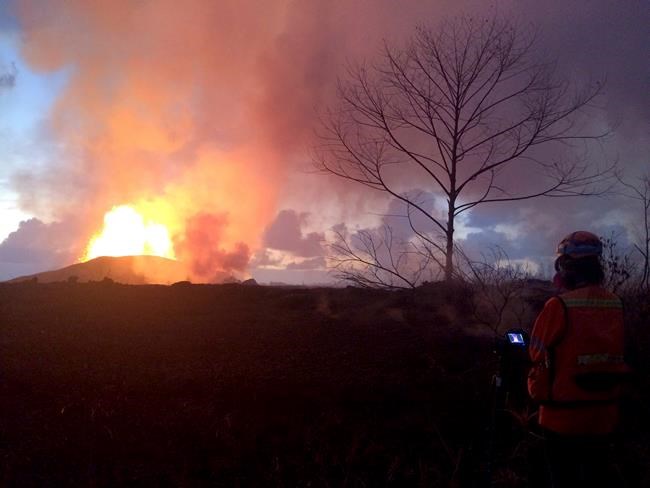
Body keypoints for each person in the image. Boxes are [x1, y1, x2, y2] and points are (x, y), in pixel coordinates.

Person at [527, 231, 631, 487]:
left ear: (566, 267)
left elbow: (536, 351)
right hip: (605, 414)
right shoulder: (616, 303)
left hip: (562, 418)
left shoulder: (559, 305)